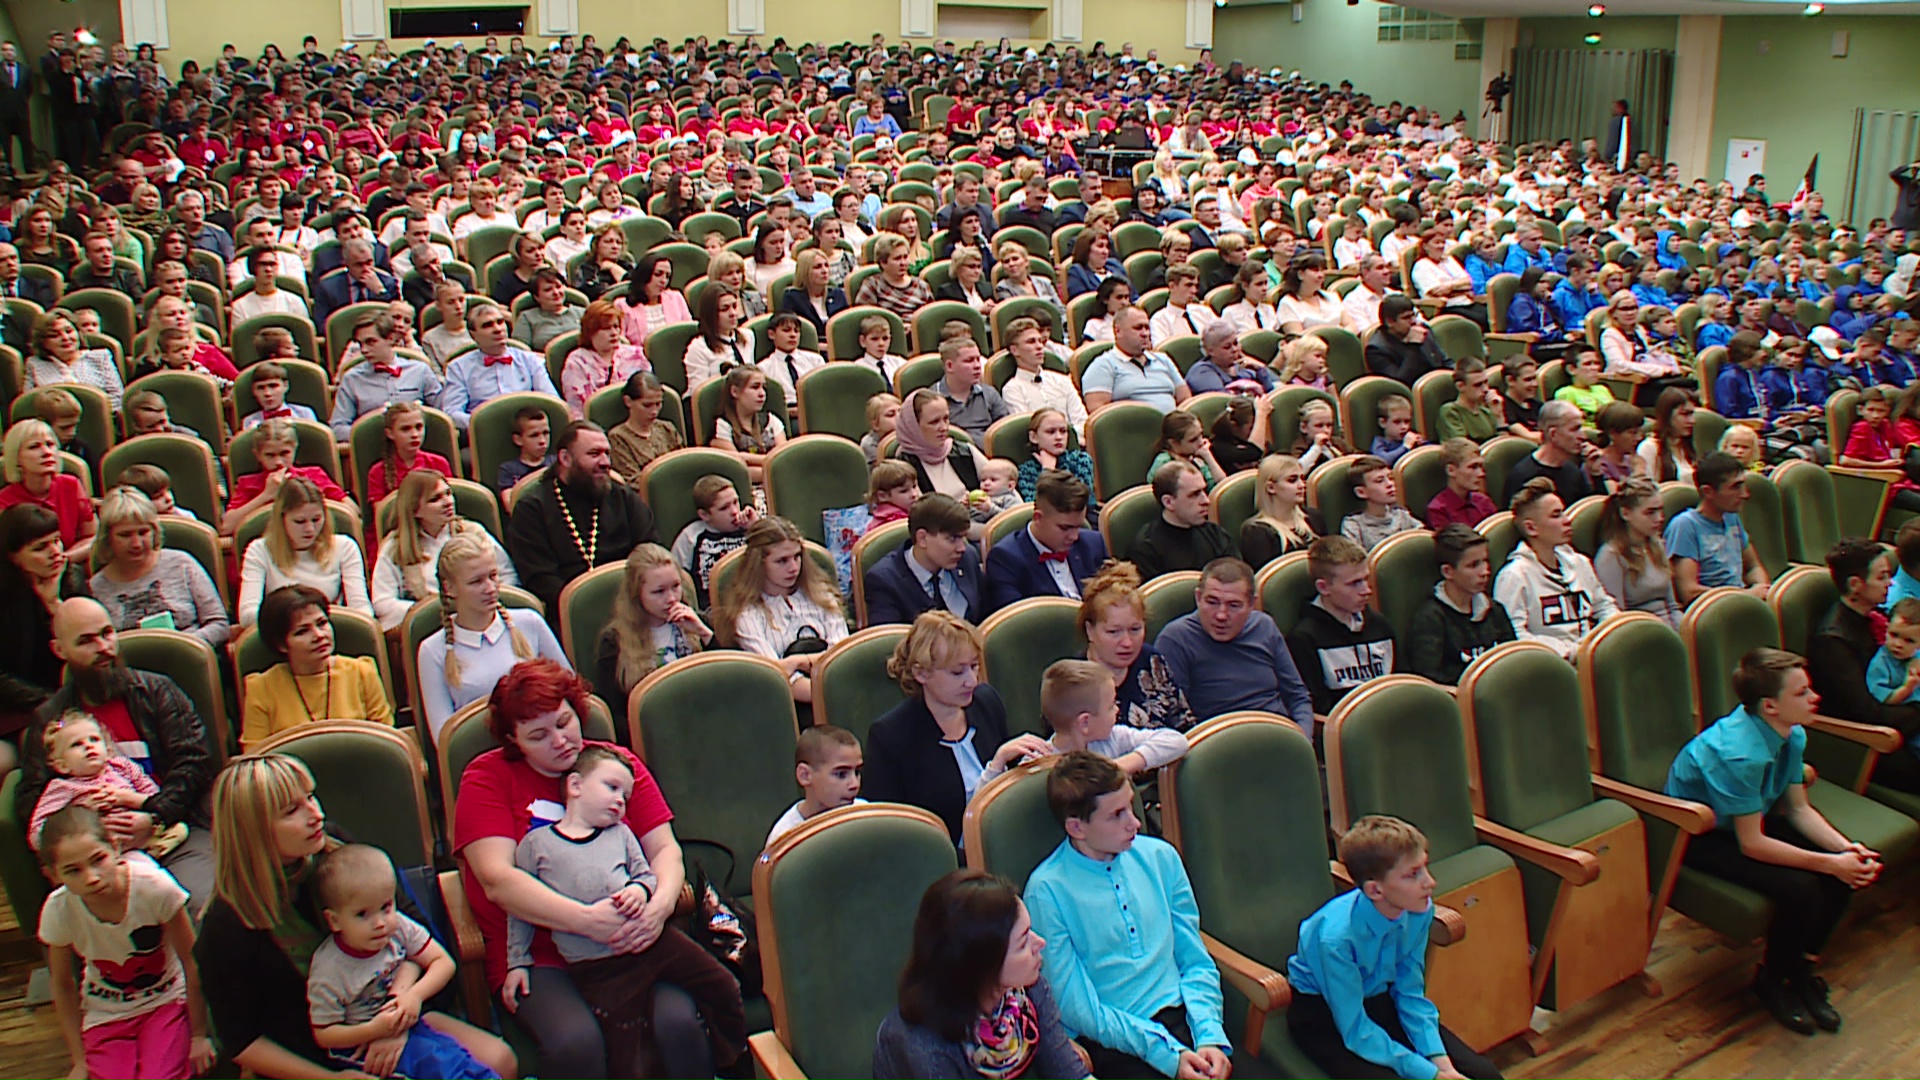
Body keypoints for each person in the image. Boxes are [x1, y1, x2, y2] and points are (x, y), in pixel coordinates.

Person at [453, 660, 723, 1079]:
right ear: (513, 740)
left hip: (628, 938)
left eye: (565, 722)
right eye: (539, 736)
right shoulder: (486, 777)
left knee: (679, 1023)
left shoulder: (614, 765)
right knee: (575, 1043)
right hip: (538, 953)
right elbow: (498, 881)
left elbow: (665, 851)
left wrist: (659, 907)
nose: (561, 742)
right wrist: (585, 921)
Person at [194, 754, 510, 1079]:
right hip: (311, 1054)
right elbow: (243, 1041)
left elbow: (413, 935)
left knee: (499, 1061)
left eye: (311, 797)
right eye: (292, 811)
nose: (316, 815)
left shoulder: (336, 848)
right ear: (252, 831)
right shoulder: (226, 925)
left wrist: (396, 1016)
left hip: (389, 1008)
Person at [1666, 648, 1879, 1034]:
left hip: (1749, 821)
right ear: (1770, 705)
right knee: (1802, 889)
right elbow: (1753, 845)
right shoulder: (1739, 755)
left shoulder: (1792, 731)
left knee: (1842, 874)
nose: (1814, 698)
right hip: (1700, 836)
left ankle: (1800, 971)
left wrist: (1845, 850)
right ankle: (1771, 981)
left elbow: (1798, 810)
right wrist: (1830, 862)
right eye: (1802, 693)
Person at [502, 746, 747, 1073]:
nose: (621, 800)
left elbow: (646, 874)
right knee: (628, 1054)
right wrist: (517, 961)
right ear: (575, 786)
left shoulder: (621, 834)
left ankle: (733, 1059)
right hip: (597, 965)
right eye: (611, 788)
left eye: (626, 796)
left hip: (652, 944)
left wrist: (638, 890)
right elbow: (523, 909)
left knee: (724, 985)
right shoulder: (536, 845)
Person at [1022, 752, 1232, 1080]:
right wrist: (1165, 1054)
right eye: (1117, 814)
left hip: (1187, 1018)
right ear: (1077, 827)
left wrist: (1210, 1036)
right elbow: (1078, 1007)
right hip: (1117, 1039)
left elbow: (1195, 960)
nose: (1134, 822)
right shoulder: (1047, 891)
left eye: (1130, 806)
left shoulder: (1162, 857)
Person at [15, 598, 214, 907]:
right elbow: (32, 798)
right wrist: (88, 832)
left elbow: (194, 764)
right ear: (59, 651)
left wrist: (154, 816)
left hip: (173, 830)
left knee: (199, 904)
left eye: (107, 634)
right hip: (92, 856)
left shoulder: (158, 691)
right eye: (86, 641)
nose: (104, 647)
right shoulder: (49, 719)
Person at [1285, 814, 1504, 1080]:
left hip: (1381, 1000)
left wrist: (1442, 1064)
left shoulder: (1419, 910)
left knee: (1484, 1074)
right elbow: (1355, 1030)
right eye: (1413, 875)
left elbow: (1410, 992)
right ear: (1376, 891)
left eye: (1424, 867)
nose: (1430, 882)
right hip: (1325, 1017)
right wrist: (1430, 1075)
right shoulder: (1335, 940)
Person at [37, 806, 217, 1080]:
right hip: (107, 1013)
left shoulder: (154, 888)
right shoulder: (58, 910)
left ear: (114, 847)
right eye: (73, 871)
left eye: (98, 860)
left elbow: (192, 960)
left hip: (165, 1002)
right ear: (53, 875)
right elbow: (62, 983)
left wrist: (198, 1034)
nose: (92, 878)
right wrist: (79, 1060)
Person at [307, 843, 508, 1080]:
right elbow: (324, 1034)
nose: (380, 922)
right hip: (364, 1047)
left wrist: (414, 996)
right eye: (363, 914)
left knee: (453, 1055)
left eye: (386, 907)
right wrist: (374, 1030)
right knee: (437, 1063)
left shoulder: (397, 926)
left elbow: (443, 962)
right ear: (334, 920)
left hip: (408, 1020)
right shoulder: (329, 969)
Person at [874, 868, 1089, 1080]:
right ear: (984, 964)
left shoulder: (1029, 991)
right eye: (1023, 942)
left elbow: (1068, 1072)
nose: (1040, 943)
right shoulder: (925, 1045)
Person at [864, 611, 1051, 842]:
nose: (971, 681)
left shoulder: (986, 702)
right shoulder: (890, 736)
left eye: (974, 666)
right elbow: (895, 832)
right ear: (921, 673)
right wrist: (995, 768)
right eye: (957, 672)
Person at [508, 421, 659, 620]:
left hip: (635, 608)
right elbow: (540, 579)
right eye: (594, 454)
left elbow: (651, 552)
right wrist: (588, 605)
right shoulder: (533, 508)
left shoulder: (623, 498)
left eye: (607, 453)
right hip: (571, 616)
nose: (605, 462)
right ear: (565, 458)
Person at [1808, 540, 1920, 793]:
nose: (1890, 583)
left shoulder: (1878, 618)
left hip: (1901, 721)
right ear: (1855, 585)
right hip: (1867, 744)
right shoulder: (1833, 641)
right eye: (1882, 577)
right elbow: (1867, 713)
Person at [1158, 558, 1316, 732]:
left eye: (1234, 605)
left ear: (1251, 605)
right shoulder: (1176, 638)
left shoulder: (1264, 626)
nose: (1221, 615)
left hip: (1277, 735)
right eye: (1212, 602)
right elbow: (1173, 717)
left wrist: (1303, 739)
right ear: (1198, 598)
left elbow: (1298, 696)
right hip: (1219, 743)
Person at [711, 516, 848, 704]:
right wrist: (834, 694)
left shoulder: (821, 595)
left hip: (838, 687)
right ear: (759, 564)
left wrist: (799, 662)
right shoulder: (747, 615)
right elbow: (780, 678)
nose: (793, 568)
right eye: (782, 561)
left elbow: (843, 655)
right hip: (791, 706)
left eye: (797, 557)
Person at [240, 586, 392, 749]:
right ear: (281, 644)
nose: (319, 635)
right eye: (302, 631)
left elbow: (387, 742)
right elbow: (255, 755)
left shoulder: (362, 671)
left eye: (322, 623)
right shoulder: (262, 688)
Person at [371, 472, 518, 631]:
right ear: (415, 510)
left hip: (483, 619)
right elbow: (383, 602)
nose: (448, 502)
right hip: (430, 629)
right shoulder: (395, 546)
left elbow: (508, 576)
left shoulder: (474, 532)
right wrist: (431, 613)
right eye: (435, 499)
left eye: (448, 494)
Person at [1494, 478, 1619, 660]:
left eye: (1564, 513)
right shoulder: (1514, 576)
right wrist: (1566, 652)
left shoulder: (1579, 563)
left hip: (1593, 658)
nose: (1567, 520)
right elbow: (1514, 636)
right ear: (1531, 528)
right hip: (1550, 667)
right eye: (1556, 515)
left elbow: (1604, 606)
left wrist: (1608, 638)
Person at [88, 486, 228, 647]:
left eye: (143, 533)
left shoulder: (181, 563)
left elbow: (219, 624)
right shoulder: (96, 587)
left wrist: (183, 647)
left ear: (154, 531)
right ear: (108, 538)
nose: (136, 544)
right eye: (125, 535)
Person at [0, 505, 90, 740]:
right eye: (40, 548)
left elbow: (91, 649)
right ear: (13, 557)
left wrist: (55, 606)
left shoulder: (72, 578)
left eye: (57, 541)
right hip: (17, 709)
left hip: (78, 701)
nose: (55, 552)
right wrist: (50, 702)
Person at [236, 477, 372, 628]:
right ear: (282, 519)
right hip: (283, 637)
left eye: (316, 519)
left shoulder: (345, 546)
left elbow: (362, 609)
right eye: (300, 521)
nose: (310, 529)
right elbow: (247, 614)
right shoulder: (258, 550)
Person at [593, 543, 713, 710]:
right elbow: (614, 712)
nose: (671, 598)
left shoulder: (696, 621)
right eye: (659, 591)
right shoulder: (615, 641)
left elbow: (728, 682)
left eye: (676, 587)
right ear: (637, 594)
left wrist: (704, 633)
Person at [1289, 536, 1398, 714]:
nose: (1367, 590)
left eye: (1366, 579)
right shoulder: (1304, 639)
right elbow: (1318, 707)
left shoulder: (1380, 626)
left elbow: (1399, 683)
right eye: (1355, 583)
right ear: (1323, 587)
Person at [1405, 525, 1517, 686]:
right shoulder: (1430, 620)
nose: (1485, 571)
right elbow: (1428, 681)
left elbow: (1513, 658)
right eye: (1473, 565)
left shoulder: (1494, 610)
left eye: (1485, 561)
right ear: (1448, 571)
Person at [986, 470, 1106, 612]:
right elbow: (1016, 626)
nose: (1074, 536)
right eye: (1065, 528)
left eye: (1078, 527)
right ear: (1038, 518)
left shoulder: (1093, 543)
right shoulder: (1005, 559)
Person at [1666, 452, 1772, 606]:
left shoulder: (1731, 517)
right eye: (1735, 487)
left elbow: (1753, 567)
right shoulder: (1685, 526)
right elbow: (1688, 591)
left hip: (1743, 602)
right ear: (1708, 492)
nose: (1745, 494)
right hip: (1713, 610)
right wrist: (1746, 595)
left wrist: (1762, 588)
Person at [1043, 659, 1188, 771]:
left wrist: (1118, 767)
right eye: (1111, 705)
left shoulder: (1112, 737)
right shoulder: (1040, 763)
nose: (1117, 710)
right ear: (1085, 723)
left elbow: (1176, 741)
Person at [440, 302, 562, 432]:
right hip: (485, 434)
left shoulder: (530, 360)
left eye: (500, 322)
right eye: (487, 325)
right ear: (473, 334)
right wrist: (487, 423)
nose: (498, 329)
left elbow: (552, 401)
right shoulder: (458, 368)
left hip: (530, 434)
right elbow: (452, 412)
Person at [866, 494, 986, 625]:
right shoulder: (885, 580)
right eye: (952, 539)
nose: (961, 548)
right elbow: (890, 642)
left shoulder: (967, 558)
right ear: (922, 538)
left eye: (962, 538)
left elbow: (987, 614)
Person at [219, 418, 348, 537]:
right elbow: (226, 527)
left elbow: (350, 511)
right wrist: (266, 495)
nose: (278, 462)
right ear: (258, 455)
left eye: (284, 453)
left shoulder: (314, 474)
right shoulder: (247, 484)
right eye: (270, 455)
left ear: (294, 449)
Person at [330, 312, 443, 439]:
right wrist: (371, 427)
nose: (364, 350)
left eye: (370, 342)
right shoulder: (352, 379)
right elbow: (337, 428)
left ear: (390, 338)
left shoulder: (419, 370)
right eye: (360, 344)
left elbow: (443, 413)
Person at [1594, 477, 1679, 627]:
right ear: (1625, 513)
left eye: (1660, 510)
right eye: (1650, 512)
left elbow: (1672, 605)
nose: (1659, 518)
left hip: (1670, 629)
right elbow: (1616, 617)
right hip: (1641, 632)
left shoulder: (1657, 545)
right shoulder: (1611, 556)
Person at [0, 419, 95, 552]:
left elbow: (92, 538)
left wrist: (64, 560)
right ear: (16, 458)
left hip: (72, 564)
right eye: (34, 447)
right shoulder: (4, 502)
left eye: (50, 444)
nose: (46, 452)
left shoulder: (71, 485)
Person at [1128, 461, 1235, 579]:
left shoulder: (1216, 534)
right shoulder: (1146, 549)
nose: (1206, 501)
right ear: (1168, 502)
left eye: (1204, 491)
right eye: (1194, 494)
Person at [766, 725, 868, 848]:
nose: (855, 784)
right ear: (805, 775)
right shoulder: (785, 839)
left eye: (857, 772)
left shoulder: (866, 815)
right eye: (841, 774)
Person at [1081, 307, 1191, 413]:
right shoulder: (1103, 365)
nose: (1145, 334)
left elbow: (1185, 400)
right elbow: (1100, 415)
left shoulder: (1163, 359)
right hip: (1134, 429)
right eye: (1138, 328)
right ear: (1118, 331)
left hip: (1174, 428)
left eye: (1147, 328)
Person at [670, 475, 757, 608]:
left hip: (753, 601)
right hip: (712, 608)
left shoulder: (751, 526)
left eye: (735, 502)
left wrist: (756, 527)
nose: (734, 512)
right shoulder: (691, 537)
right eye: (724, 508)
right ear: (704, 515)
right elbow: (677, 578)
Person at [562, 299, 650, 420]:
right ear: (591, 332)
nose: (614, 333)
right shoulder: (577, 362)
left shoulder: (635, 355)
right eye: (606, 328)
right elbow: (577, 411)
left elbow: (649, 396)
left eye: (616, 327)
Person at [1501, 401, 1598, 507]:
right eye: (1575, 429)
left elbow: (1592, 515)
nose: (1583, 436)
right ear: (1553, 434)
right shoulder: (1522, 476)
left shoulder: (1573, 471)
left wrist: (1596, 473)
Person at [1240, 454, 1324, 569]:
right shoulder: (1256, 532)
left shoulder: (1313, 517)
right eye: (1292, 480)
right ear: (1271, 488)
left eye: (1302, 478)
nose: (1302, 485)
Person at [1340, 456, 1421, 553]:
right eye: (1379, 481)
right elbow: (1356, 561)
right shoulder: (1354, 525)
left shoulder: (1401, 514)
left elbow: (1423, 538)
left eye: (1391, 478)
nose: (1390, 484)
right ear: (1361, 492)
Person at [1365, 296, 1448, 385]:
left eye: (1414, 315)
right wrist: (1414, 346)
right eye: (1406, 318)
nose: (1413, 321)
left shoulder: (1422, 329)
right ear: (1390, 322)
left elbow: (1444, 361)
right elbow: (1400, 382)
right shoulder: (1376, 350)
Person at [1424, 439, 1494, 531]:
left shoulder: (1483, 501)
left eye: (1481, 466)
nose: (1481, 474)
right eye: (1473, 467)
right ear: (1451, 470)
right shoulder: (1438, 510)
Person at [1437, 359, 1501, 443]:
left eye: (1486, 382)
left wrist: (1499, 417)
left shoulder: (1486, 411)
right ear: (1460, 386)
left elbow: (1502, 448)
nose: (1485, 389)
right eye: (1477, 385)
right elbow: (1462, 448)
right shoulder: (1451, 411)